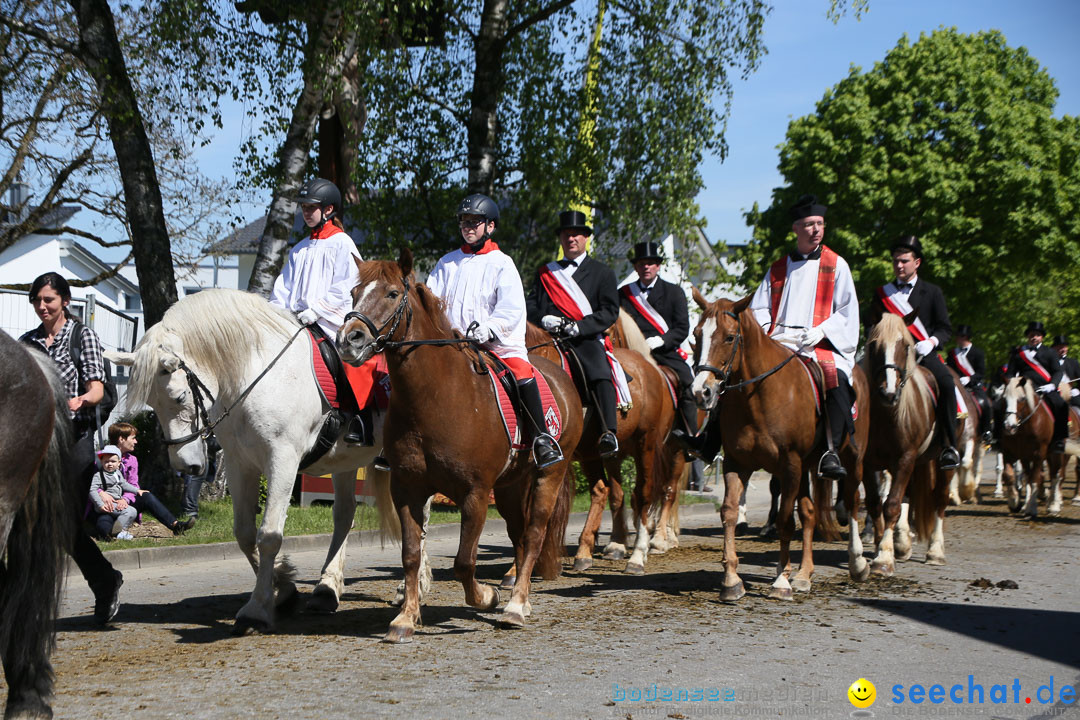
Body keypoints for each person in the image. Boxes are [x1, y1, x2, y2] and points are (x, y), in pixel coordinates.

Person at [427, 194, 563, 468]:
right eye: (464, 221)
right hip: (451, 344)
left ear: (490, 226)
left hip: (494, 345)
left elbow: (511, 309)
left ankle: (542, 438)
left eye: (475, 221)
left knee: (523, 371)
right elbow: (431, 300)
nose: (468, 226)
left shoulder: (503, 263)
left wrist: (488, 328)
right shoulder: (446, 262)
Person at [19, 271, 123, 624]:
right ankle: (102, 580)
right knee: (34, 522)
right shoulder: (27, 342)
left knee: (63, 523)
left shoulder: (82, 336)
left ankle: (104, 581)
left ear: (64, 300)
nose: (42, 306)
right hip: (37, 443)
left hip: (75, 438)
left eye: (48, 299)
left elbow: (97, 387)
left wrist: (80, 400)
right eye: (37, 300)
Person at [747, 194, 860, 481]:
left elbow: (848, 309)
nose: (816, 230)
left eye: (820, 224)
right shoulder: (777, 268)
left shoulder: (837, 265)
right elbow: (757, 309)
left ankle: (830, 451)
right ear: (796, 228)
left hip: (820, 344)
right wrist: (769, 337)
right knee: (738, 378)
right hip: (781, 342)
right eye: (809, 225)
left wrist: (822, 330)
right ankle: (711, 440)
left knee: (837, 380)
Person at [270, 178, 370, 445]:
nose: (306, 211)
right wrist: (274, 315)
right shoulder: (299, 248)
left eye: (311, 207)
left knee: (343, 357)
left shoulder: (342, 243)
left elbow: (346, 284)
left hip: (330, 320)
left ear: (328, 210)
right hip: (296, 320)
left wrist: (317, 311)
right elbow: (283, 287)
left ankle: (358, 417)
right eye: (303, 206)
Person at [526, 209, 624, 457]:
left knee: (600, 370)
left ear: (586, 239)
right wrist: (542, 318)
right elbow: (530, 306)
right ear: (561, 239)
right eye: (567, 235)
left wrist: (580, 326)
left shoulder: (603, 273)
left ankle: (608, 431)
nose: (571, 239)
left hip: (584, 337)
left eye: (577, 235)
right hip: (547, 337)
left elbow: (609, 311)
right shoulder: (546, 273)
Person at [872, 235, 961, 471]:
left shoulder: (932, 292)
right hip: (888, 356)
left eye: (904, 261)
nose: (899, 266)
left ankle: (948, 445)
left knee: (947, 383)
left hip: (923, 354)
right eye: (895, 261)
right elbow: (870, 327)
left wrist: (931, 341)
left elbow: (945, 329)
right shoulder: (882, 294)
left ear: (917, 262)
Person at [618, 241, 700, 453]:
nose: (646, 267)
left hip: (663, 352)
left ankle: (691, 438)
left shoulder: (674, 293)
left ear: (658, 266)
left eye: (651, 263)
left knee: (688, 383)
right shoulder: (623, 294)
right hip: (632, 354)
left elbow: (682, 328)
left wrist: (663, 340)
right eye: (642, 263)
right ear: (636, 267)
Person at [90, 446, 194, 539]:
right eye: (133, 438)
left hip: (120, 503)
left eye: (113, 461)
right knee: (104, 525)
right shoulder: (98, 470)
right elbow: (91, 487)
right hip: (106, 505)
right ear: (121, 439)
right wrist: (101, 496)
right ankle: (114, 533)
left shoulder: (127, 464)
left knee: (143, 498)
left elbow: (127, 484)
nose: (135, 442)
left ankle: (175, 525)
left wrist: (130, 495)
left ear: (119, 463)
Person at [1007, 322, 1069, 452]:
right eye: (1031, 335)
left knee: (1061, 405)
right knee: (1000, 405)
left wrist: (1052, 385)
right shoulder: (1018, 353)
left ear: (1042, 337)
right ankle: (999, 437)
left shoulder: (1050, 352)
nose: (1034, 337)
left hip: (1045, 388)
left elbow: (1057, 372)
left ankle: (1059, 440)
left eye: (1037, 335)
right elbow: (1010, 373)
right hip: (1024, 389)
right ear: (1027, 337)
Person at [946, 325, 992, 442]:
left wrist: (969, 379)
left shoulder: (978, 353)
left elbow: (981, 372)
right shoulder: (952, 353)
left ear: (967, 337)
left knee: (985, 404)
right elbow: (950, 370)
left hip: (973, 386)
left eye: (961, 336)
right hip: (957, 386)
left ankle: (986, 431)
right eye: (957, 336)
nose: (958, 339)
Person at [1052, 335, 1080, 409]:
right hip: (1054, 390)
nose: (1063, 349)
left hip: (1070, 391)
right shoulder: (1049, 362)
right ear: (1054, 348)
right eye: (1060, 347)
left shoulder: (1073, 362)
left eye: (1064, 347)